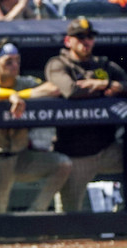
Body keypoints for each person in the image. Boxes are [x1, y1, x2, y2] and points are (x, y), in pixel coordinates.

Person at [0, 39, 71, 215]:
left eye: (17, 60)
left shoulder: (24, 83)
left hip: (21, 158)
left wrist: (20, 95)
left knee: (62, 164)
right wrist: (10, 96)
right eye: (8, 61)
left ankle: (35, 212)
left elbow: (54, 88)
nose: (14, 65)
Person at [45, 17, 127, 212]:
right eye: (80, 37)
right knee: (69, 216)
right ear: (68, 41)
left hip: (107, 149)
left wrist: (105, 84)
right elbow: (71, 90)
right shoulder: (59, 63)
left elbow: (124, 82)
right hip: (76, 153)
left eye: (89, 37)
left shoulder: (103, 65)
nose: (85, 41)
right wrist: (104, 87)